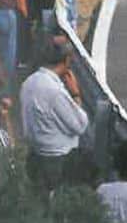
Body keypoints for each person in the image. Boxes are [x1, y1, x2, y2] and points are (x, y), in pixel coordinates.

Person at [19, 33, 91, 188]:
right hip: (58, 161)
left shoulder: (28, 83)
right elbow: (80, 125)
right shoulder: (55, 91)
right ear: (66, 60)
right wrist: (75, 94)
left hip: (35, 155)